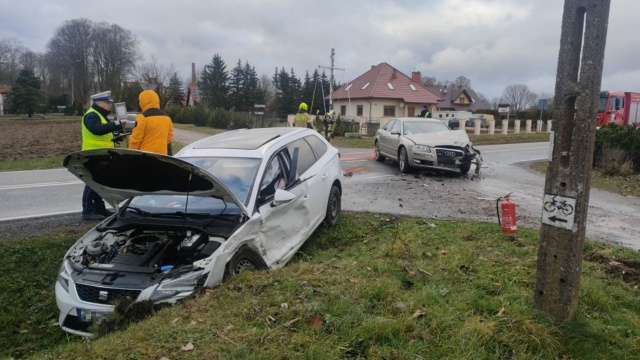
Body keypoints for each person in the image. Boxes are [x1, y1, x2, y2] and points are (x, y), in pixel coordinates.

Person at [81, 91, 129, 220]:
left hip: (101, 154)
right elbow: (97, 130)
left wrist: (116, 138)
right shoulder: (92, 115)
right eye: (107, 103)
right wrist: (117, 124)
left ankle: (99, 209)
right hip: (93, 154)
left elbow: (104, 134)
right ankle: (88, 211)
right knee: (92, 184)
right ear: (98, 103)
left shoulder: (100, 115)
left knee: (99, 184)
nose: (109, 105)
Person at [129, 90, 174, 155]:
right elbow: (169, 138)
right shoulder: (167, 118)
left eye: (140, 101)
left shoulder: (142, 117)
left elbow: (136, 139)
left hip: (146, 156)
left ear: (143, 101)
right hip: (162, 156)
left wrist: (131, 154)